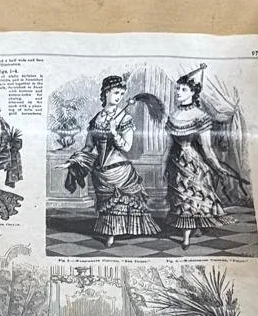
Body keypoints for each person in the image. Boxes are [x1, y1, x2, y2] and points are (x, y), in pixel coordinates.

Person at [161, 69, 241, 248]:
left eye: (183, 90)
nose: (178, 93)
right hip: (176, 164)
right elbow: (168, 147)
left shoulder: (201, 116)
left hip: (194, 164)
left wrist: (218, 168)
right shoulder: (173, 115)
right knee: (181, 198)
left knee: (192, 196)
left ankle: (187, 237)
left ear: (192, 92)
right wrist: (163, 167)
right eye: (177, 89)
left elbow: (207, 148)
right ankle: (190, 230)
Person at [71, 75, 154, 245]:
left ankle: (115, 234)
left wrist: (114, 131)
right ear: (105, 93)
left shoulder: (125, 118)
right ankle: (111, 232)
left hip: (119, 170)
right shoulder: (96, 118)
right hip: (100, 172)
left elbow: (127, 147)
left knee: (120, 204)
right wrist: (75, 159)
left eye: (121, 94)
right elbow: (88, 147)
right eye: (115, 92)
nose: (118, 97)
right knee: (106, 205)